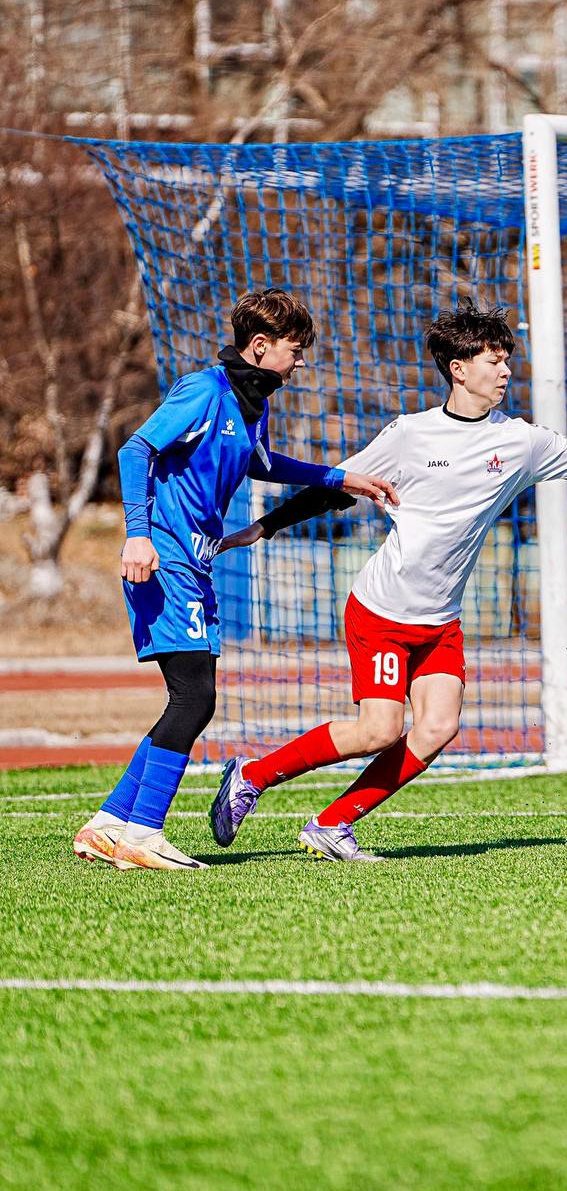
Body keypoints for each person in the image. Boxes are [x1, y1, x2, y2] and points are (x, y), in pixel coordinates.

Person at [209, 299, 567, 861]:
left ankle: (331, 824)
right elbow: (338, 485)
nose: (505, 371)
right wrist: (264, 527)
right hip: (382, 612)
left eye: (507, 360)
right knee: (379, 729)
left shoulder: (519, 441)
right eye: (494, 360)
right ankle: (252, 776)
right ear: (459, 368)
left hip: (439, 620)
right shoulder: (409, 434)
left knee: (438, 727)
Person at [71, 289, 398, 871]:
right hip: (163, 557)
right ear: (260, 346)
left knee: (190, 698)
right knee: (194, 698)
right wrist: (137, 534)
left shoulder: (253, 405)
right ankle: (144, 833)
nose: (301, 363)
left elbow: (264, 465)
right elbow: (135, 449)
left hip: (193, 562)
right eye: (296, 351)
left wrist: (341, 477)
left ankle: (109, 823)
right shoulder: (204, 390)